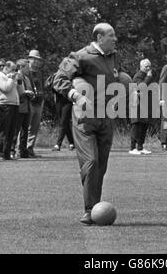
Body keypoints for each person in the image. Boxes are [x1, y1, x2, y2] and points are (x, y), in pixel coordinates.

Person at [53, 22, 119, 225]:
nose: (115, 39)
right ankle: (90, 209)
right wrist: (76, 96)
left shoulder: (113, 56)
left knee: (101, 166)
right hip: (85, 119)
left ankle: (94, 207)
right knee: (90, 163)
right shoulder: (80, 56)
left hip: (107, 118)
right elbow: (58, 79)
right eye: (111, 35)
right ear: (99, 38)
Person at [0, 61, 20, 161]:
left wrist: (18, 80)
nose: (14, 72)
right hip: (4, 106)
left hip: (14, 105)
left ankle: (7, 154)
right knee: (3, 131)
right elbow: (6, 88)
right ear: (6, 68)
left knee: (11, 132)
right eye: (12, 70)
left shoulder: (11, 78)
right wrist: (10, 78)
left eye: (15, 70)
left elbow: (17, 90)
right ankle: (0, 155)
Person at [129, 58, 154, 155]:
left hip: (145, 104)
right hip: (137, 105)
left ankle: (140, 147)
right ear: (141, 67)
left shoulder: (148, 76)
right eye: (146, 66)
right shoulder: (138, 76)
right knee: (137, 126)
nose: (148, 68)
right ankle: (132, 147)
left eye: (149, 66)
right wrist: (148, 77)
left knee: (144, 126)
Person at [11, 59, 34, 158]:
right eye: (27, 67)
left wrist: (31, 94)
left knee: (25, 131)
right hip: (19, 106)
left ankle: (23, 151)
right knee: (16, 130)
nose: (28, 69)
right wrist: (25, 92)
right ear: (21, 67)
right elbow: (16, 91)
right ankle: (12, 150)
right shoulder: (15, 76)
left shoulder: (27, 78)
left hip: (27, 107)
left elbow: (30, 89)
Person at [27, 50, 45, 158]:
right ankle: (22, 148)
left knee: (35, 127)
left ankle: (30, 148)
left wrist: (42, 101)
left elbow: (42, 87)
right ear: (29, 59)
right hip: (29, 102)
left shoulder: (39, 73)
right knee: (26, 127)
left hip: (38, 102)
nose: (36, 62)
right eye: (34, 59)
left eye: (38, 60)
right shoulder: (26, 71)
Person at [52, 73, 75, 152]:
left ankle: (58, 144)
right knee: (64, 123)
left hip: (68, 102)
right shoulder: (56, 77)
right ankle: (72, 143)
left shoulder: (70, 78)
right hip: (59, 102)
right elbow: (52, 89)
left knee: (63, 122)